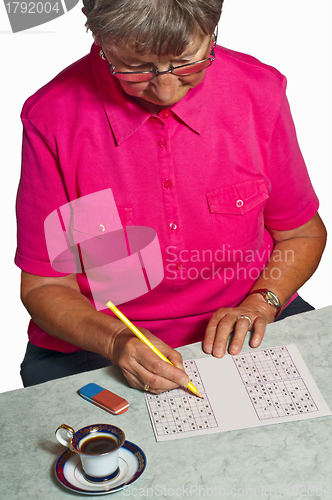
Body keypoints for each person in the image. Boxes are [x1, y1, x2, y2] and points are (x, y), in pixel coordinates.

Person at [16, 0, 326, 392]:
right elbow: (46, 287)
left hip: (246, 313)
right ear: (99, 38)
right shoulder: (52, 118)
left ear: (213, 29)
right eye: (135, 66)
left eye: (186, 61)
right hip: (96, 340)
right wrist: (116, 341)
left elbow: (300, 234)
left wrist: (262, 302)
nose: (164, 88)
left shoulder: (259, 90)